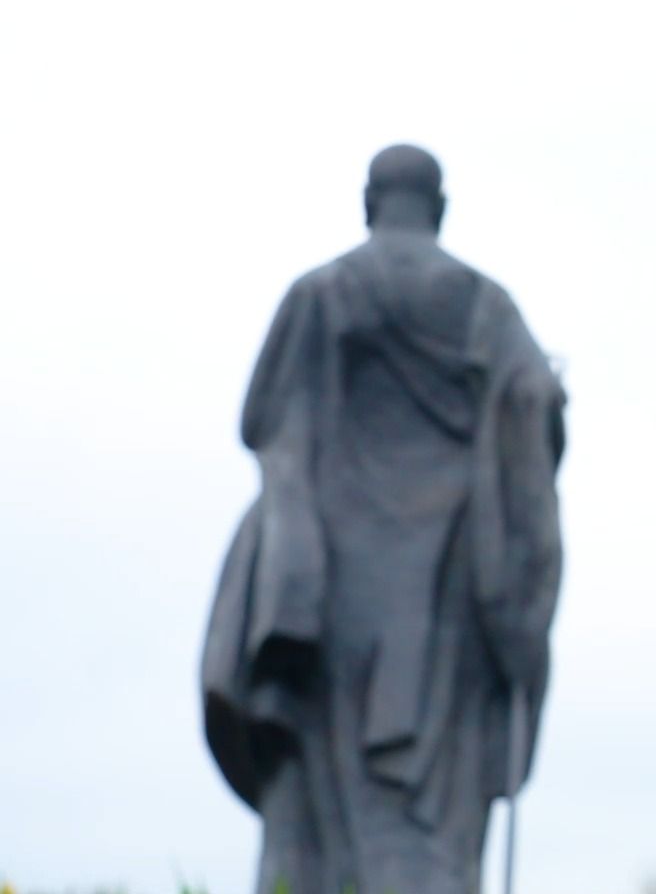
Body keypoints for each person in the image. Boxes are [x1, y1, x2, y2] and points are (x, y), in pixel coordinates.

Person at [201, 144, 565, 894]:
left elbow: (264, 421)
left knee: (317, 799)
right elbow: (533, 414)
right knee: (434, 813)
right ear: (441, 208)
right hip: (449, 590)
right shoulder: (485, 307)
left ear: (370, 202)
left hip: (330, 584)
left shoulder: (320, 293)